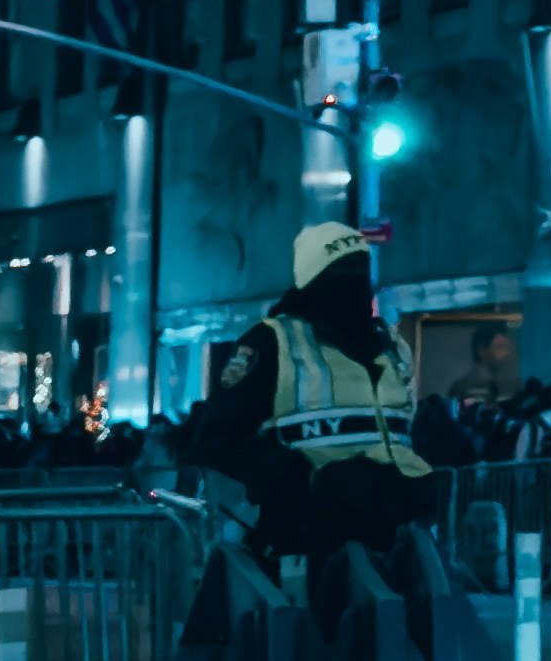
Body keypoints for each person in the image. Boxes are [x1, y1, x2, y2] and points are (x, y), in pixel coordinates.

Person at [185, 220, 445, 560]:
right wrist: (286, 474)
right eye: (340, 272)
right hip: (310, 533)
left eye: (360, 271)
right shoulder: (273, 343)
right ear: (312, 278)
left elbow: (399, 430)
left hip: (399, 527)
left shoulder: (391, 345)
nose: (352, 285)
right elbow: (215, 438)